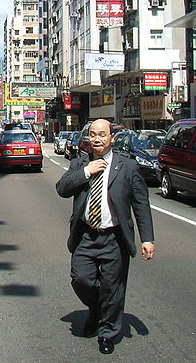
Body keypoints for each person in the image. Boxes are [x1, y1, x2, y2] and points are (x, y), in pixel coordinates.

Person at [55, 119, 155, 355]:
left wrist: (147, 238)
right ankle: (97, 309)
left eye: (102, 134)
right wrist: (86, 172)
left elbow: (141, 204)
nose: (97, 139)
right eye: (93, 134)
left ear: (111, 138)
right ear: (88, 138)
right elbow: (62, 188)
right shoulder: (80, 163)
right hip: (86, 235)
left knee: (112, 288)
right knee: (81, 279)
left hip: (114, 237)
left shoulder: (128, 167)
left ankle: (107, 332)